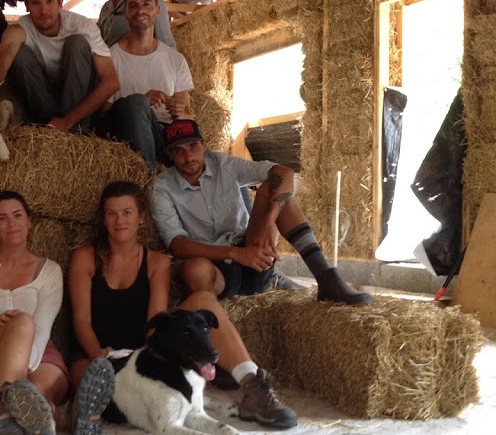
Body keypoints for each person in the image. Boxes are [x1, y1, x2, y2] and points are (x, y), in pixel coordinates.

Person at [69, 181, 298, 429]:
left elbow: (155, 324)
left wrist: (141, 361)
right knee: (86, 379)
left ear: (141, 218)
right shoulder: (85, 257)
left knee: (203, 299)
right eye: (111, 213)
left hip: (140, 353)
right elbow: (81, 320)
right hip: (95, 352)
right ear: (104, 220)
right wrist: (99, 357)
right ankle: (84, 417)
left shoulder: (157, 262)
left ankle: (252, 384)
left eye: (127, 212)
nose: (119, 221)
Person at [0, 191, 114, 435]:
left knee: (42, 389)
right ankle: (10, 409)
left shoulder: (49, 270)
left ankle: (47, 420)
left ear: (30, 221)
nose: (11, 223)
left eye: (17, 215)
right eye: (2, 218)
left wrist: (24, 373)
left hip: (39, 349)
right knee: (22, 322)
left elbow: (43, 326)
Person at [151, 119, 373, 305]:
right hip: (214, 264)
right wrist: (233, 253)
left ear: (204, 144)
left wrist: (269, 219)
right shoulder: (162, 187)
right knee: (194, 269)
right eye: (179, 151)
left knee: (273, 189)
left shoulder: (222, 164)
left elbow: (284, 173)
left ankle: (326, 279)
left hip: (254, 251)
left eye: (193, 147)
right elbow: (177, 245)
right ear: (170, 154)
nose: (189, 157)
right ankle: (212, 322)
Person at [0, 0, 119, 132]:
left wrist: (69, 121)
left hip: (77, 107)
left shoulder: (82, 27)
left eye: (49, 2)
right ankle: (46, 128)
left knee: (77, 43)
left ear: (60, 2)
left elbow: (111, 82)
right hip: (42, 101)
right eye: (35, 3)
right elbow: (2, 60)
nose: (44, 11)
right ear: (27, 5)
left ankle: (75, 132)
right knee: (19, 54)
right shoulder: (19, 29)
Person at [96, 0, 194, 172]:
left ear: (157, 10)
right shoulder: (110, 57)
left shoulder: (175, 59)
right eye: (133, 6)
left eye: (146, 5)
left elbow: (188, 114)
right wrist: (140, 103)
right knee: (137, 103)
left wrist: (181, 112)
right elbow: (102, 112)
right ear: (125, 13)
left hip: (163, 136)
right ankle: (148, 178)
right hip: (124, 134)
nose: (140, 11)